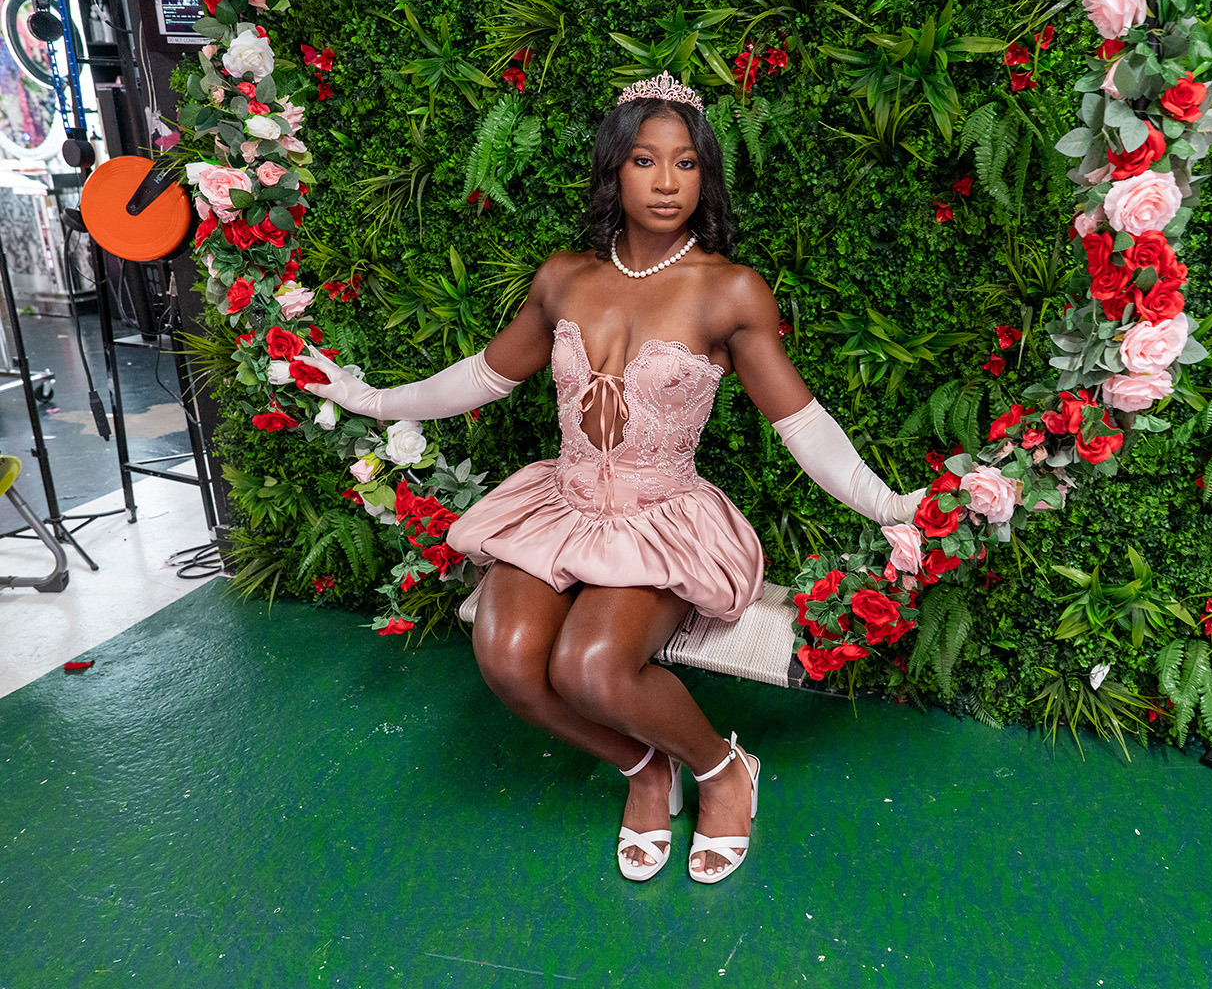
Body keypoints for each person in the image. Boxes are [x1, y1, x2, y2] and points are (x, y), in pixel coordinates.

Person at [296, 71, 922, 884]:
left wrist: (886, 502)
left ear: (705, 175)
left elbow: (801, 425)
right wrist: (369, 398)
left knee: (589, 668)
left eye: (686, 163)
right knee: (507, 660)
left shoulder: (729, 291)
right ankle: (644, 768)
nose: (667, 182)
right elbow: (485, 375)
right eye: (645, 161)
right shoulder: (565, 278)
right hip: (561, 505)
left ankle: (723, 770)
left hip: (660, 520)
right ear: (613, 168)